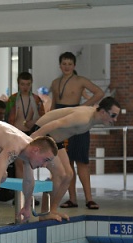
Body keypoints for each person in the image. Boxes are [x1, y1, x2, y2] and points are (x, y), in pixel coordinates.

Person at [31, 97, 121, 221]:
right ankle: (45, 213)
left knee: (68, 174)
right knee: (60, 174)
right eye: (113, 115)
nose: (115, 119)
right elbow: (55, 123)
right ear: (103, 112)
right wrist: (33, 137)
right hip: (45, 132)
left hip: (56, 139)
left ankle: (52, 210)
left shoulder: (93, 116)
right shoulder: (84, 118)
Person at [49, 52, 104, 210]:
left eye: (69, 64)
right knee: (67, 163)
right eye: (64, 64)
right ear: (60, 65)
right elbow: (53, 105)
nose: (66, 67)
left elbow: (99, 93)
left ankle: (89, 198)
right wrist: (50, 123)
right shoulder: (55, 83)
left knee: (82, 161)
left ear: (74, 66)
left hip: (77, 121)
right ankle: (72, 198)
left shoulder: (80, 80)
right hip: (61, 121)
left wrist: (83, 106)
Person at [6, 72, 46, 179]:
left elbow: (43, 117)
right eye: (22, 84)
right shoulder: (13, 99)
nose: (25, 87)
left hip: (31, 134)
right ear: (18, 84)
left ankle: (28, 191)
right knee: (18, 163)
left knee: (29, 163)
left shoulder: (36, 100)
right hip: (16, 133)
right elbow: (7, 119)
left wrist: (33, 122)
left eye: (28, 84)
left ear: (31, 84)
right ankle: (20, 194)